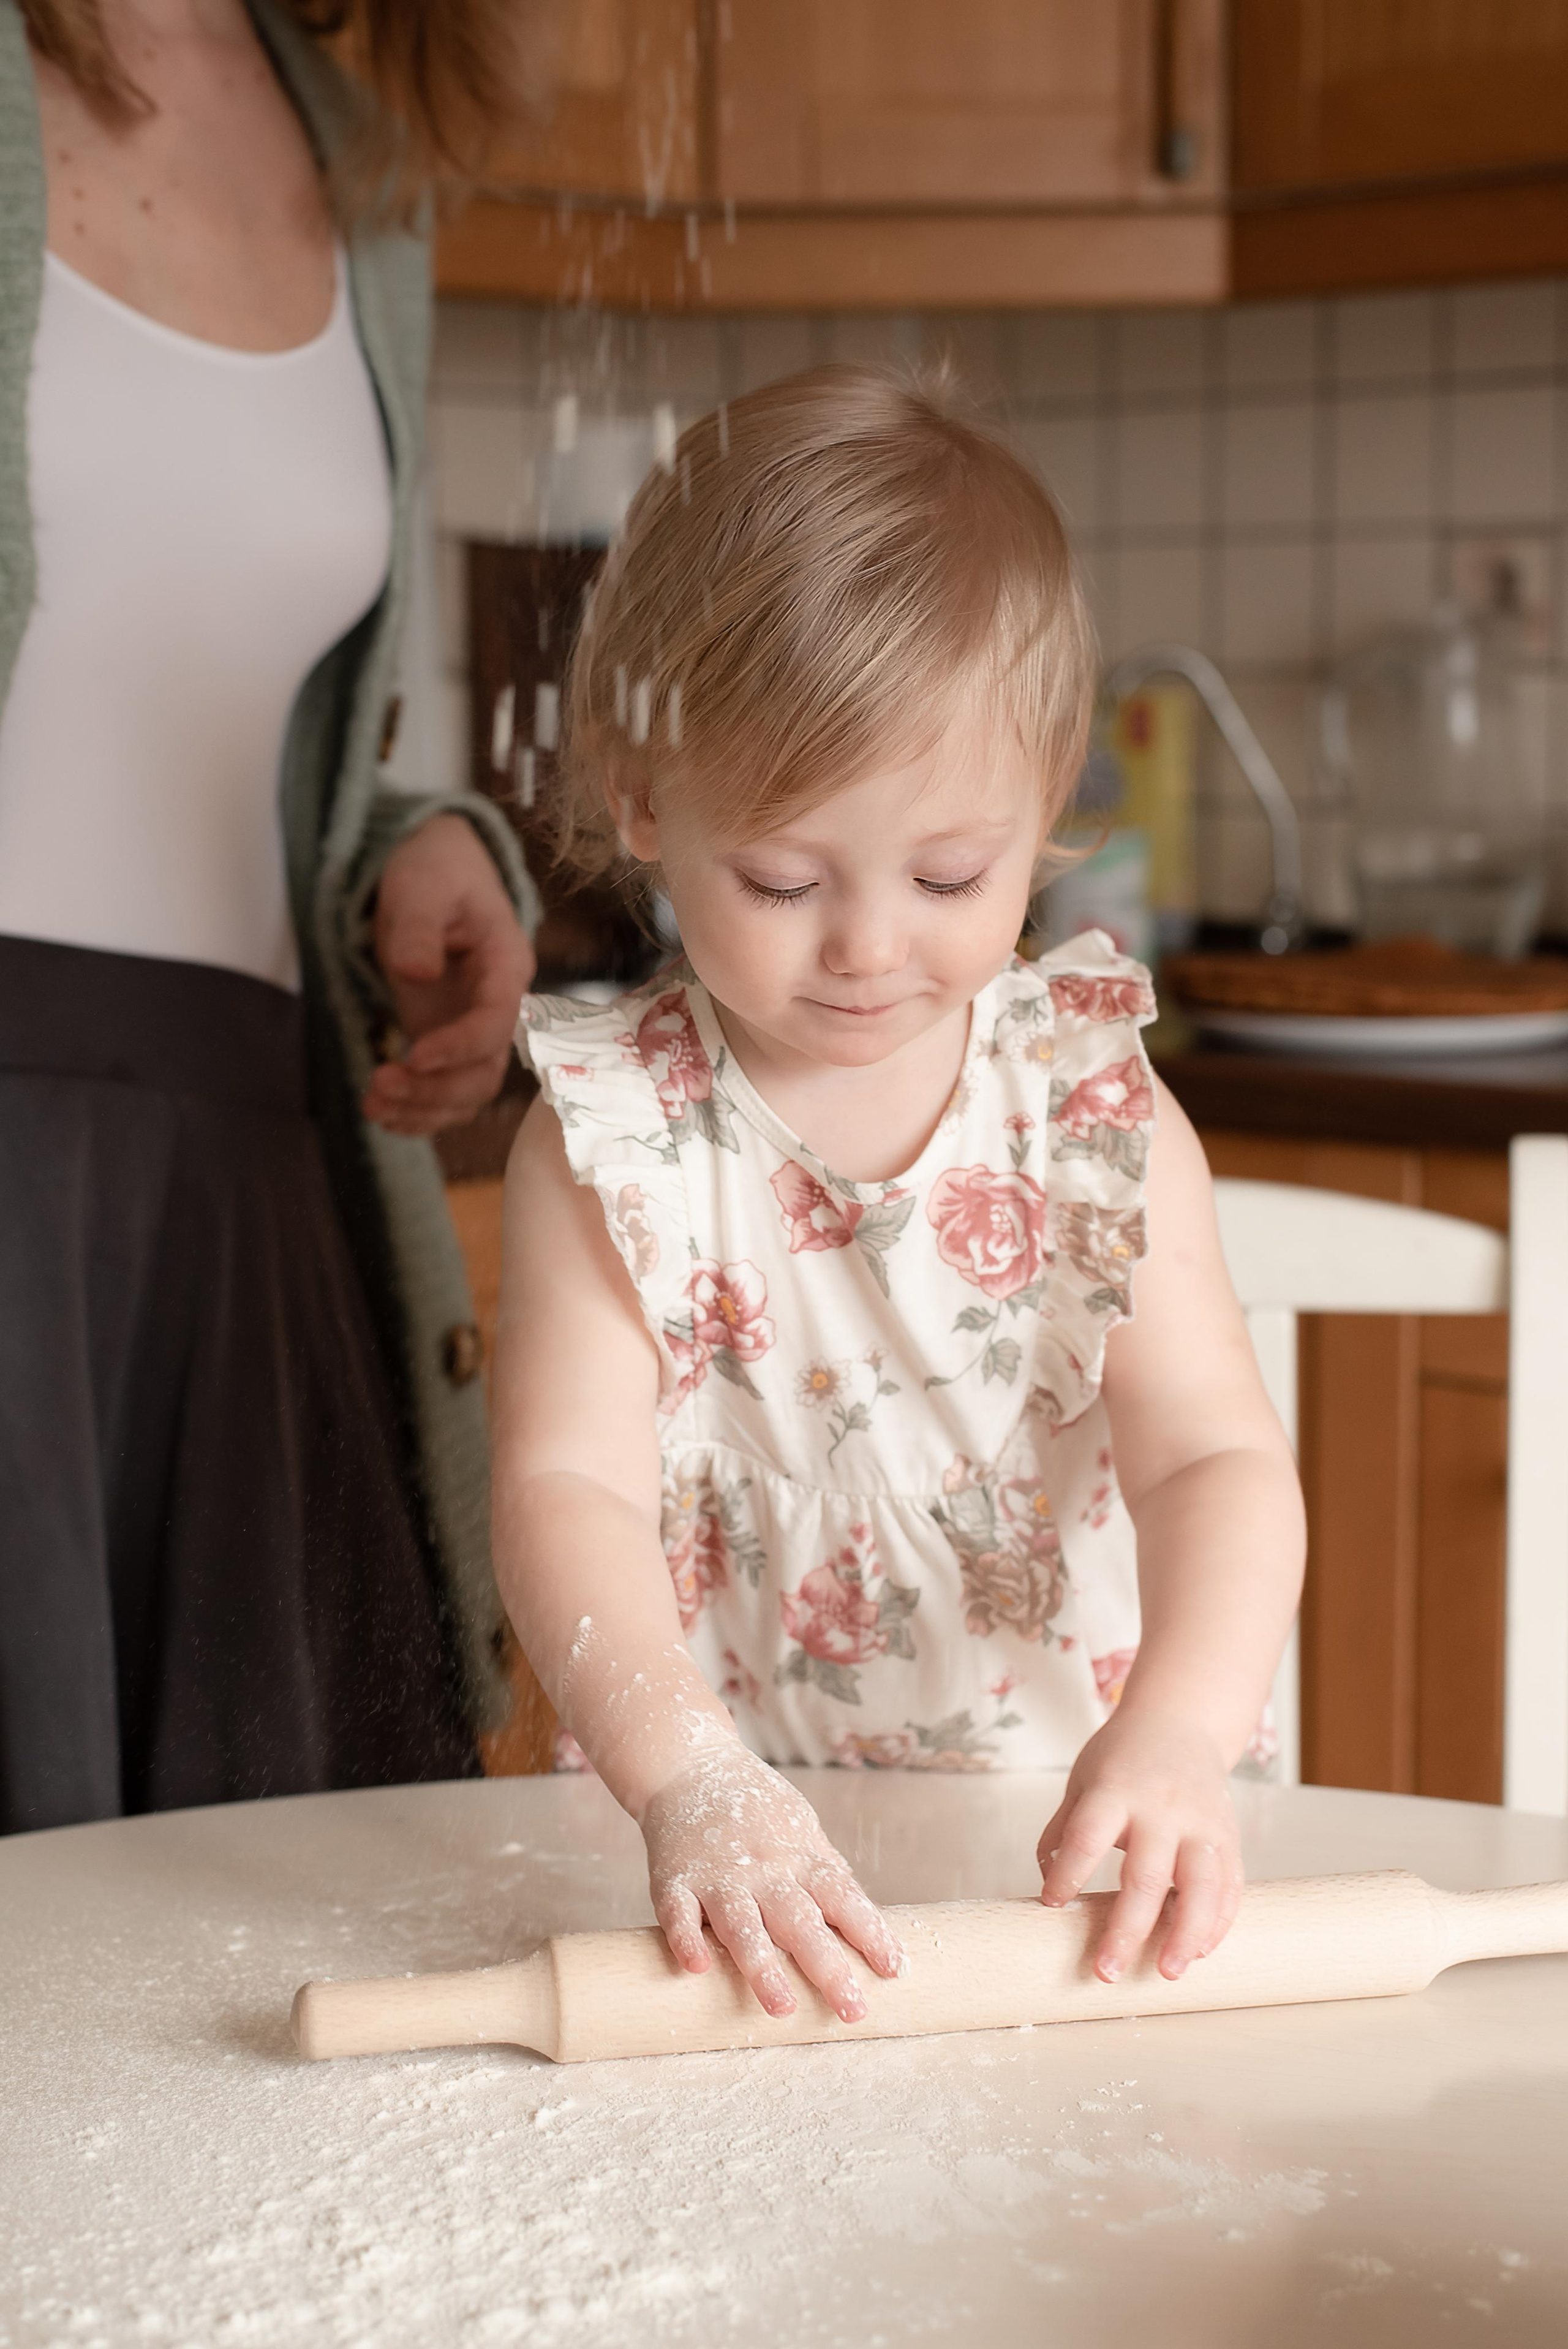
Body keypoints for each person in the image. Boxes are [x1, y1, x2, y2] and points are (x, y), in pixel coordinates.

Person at [491, 366, 1307, 2021]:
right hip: (722, 1864)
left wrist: (1176, 1731)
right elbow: (560, 1487)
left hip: (1079, 1855)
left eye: (949, 874)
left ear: (1048, 792)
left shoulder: (1094, 1112)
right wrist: (688, 1778)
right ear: (647, 800)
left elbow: (1218, 1458)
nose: (870, 946)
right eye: (784, 877)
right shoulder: (610, 1134)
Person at [0, 0, 535, 1833]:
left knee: (258, 1930)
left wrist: (418, 848)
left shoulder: (364, 160)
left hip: (242, 1193)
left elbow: (259, 714)